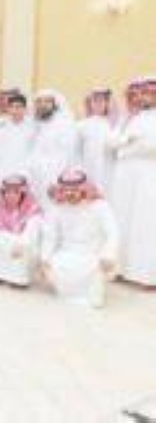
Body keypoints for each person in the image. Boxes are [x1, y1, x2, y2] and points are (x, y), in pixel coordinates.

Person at [41, 169, 119, 307]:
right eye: (66, 190)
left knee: (95, 288)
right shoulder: (56, 206)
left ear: (84, 188)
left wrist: (108, 255)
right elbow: (49, 236)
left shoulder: (100, 206)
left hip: (92, 254)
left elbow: (112, 232)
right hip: (65, 253)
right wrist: (44, 259)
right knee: (54, 265)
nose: (70, 194)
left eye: (74, 190)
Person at [109, 77, 156, 288]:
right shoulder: (130, 118)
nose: (144, 98)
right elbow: (111, 142)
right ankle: (120, 269)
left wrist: (129, 145)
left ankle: (147, 276)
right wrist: (128, 142)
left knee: (146, 222)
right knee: (123, 219)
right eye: (141, 94)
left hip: (148, 175)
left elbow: (151, 146)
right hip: (125, 175)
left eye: (150, 94)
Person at [0, 174, 43, 287]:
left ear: (23, 194)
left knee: (22, 248)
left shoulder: (32, 209)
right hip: (2, 242)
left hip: (20, 243)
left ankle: (18, 280)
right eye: (8, 192)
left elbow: (31, 231)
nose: (11, 196)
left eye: (16, 192)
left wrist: (22, 242)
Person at [27, 89, 79, 202]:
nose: (42, 105)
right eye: (39, 102)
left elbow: (67, 155)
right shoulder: (33, 125)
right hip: (34, 179)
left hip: (55, 178)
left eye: (47, 101)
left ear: (55, 104)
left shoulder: (64, 125)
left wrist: (56, 180)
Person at [0, 93, 34, 190]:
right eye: (11, 107)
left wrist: (28, 174)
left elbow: (34, 154)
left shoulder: (33, 127)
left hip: (25, 173)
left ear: (25, 109)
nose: (14, 110)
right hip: (3, 171)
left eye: (18, 107)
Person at [77, 88, 117, 193]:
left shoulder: (115, 125)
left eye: (102, 100)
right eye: (95, 100)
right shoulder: (81, 125)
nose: (99, 104)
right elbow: (77, 151)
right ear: (89, 103)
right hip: (89, 169)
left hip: (110, 169)